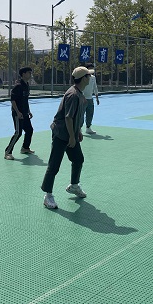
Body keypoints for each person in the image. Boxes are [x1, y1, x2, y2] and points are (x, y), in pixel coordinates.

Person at [41, 66, 92, 209]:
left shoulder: (80, 93)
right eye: (88, 75)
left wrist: (78, 131)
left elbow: (77, 117)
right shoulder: (73, 95)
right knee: (54, 165)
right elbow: (68, 118)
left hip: (71, 134)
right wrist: (71, 137)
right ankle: (48, 196)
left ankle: (74, 186)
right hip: (61, 134)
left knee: (78, 159)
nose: (90, 77)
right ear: (83, 78)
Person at [4, 67, 35, 160]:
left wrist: (28, 111)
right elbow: (13, 100)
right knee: (18, 133)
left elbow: (25, 100)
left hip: (25, 113)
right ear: (23, 74)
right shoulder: (18, 86)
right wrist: (18, 112)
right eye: (29, 73)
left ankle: (25, 148)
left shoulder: (26, 85)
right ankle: (8, 152)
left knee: (29, 130)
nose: (30, 74)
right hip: (18, 114)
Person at [82, 62, 100, 134]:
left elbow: (95, 87)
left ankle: (88, 127)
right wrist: (82, 97)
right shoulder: (82, 77)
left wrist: (97, 98)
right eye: (90, 68)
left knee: (90, 113)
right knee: (81, 114)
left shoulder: (93, 78)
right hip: (82, 98)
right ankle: (78, 128)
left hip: (90, 99)